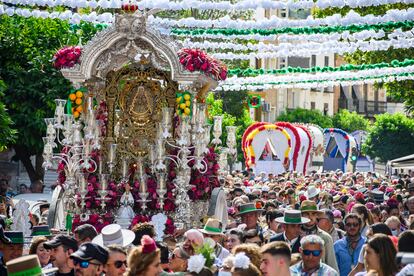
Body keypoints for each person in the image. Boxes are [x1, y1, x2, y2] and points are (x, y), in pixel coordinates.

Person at [300, 200, 338, 271]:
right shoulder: (296, 235)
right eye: (306, 214)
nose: (310, 217)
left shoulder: (325, 237)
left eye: (313, 214)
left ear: (316, 216)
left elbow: (332, 264)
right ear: (301, 215)